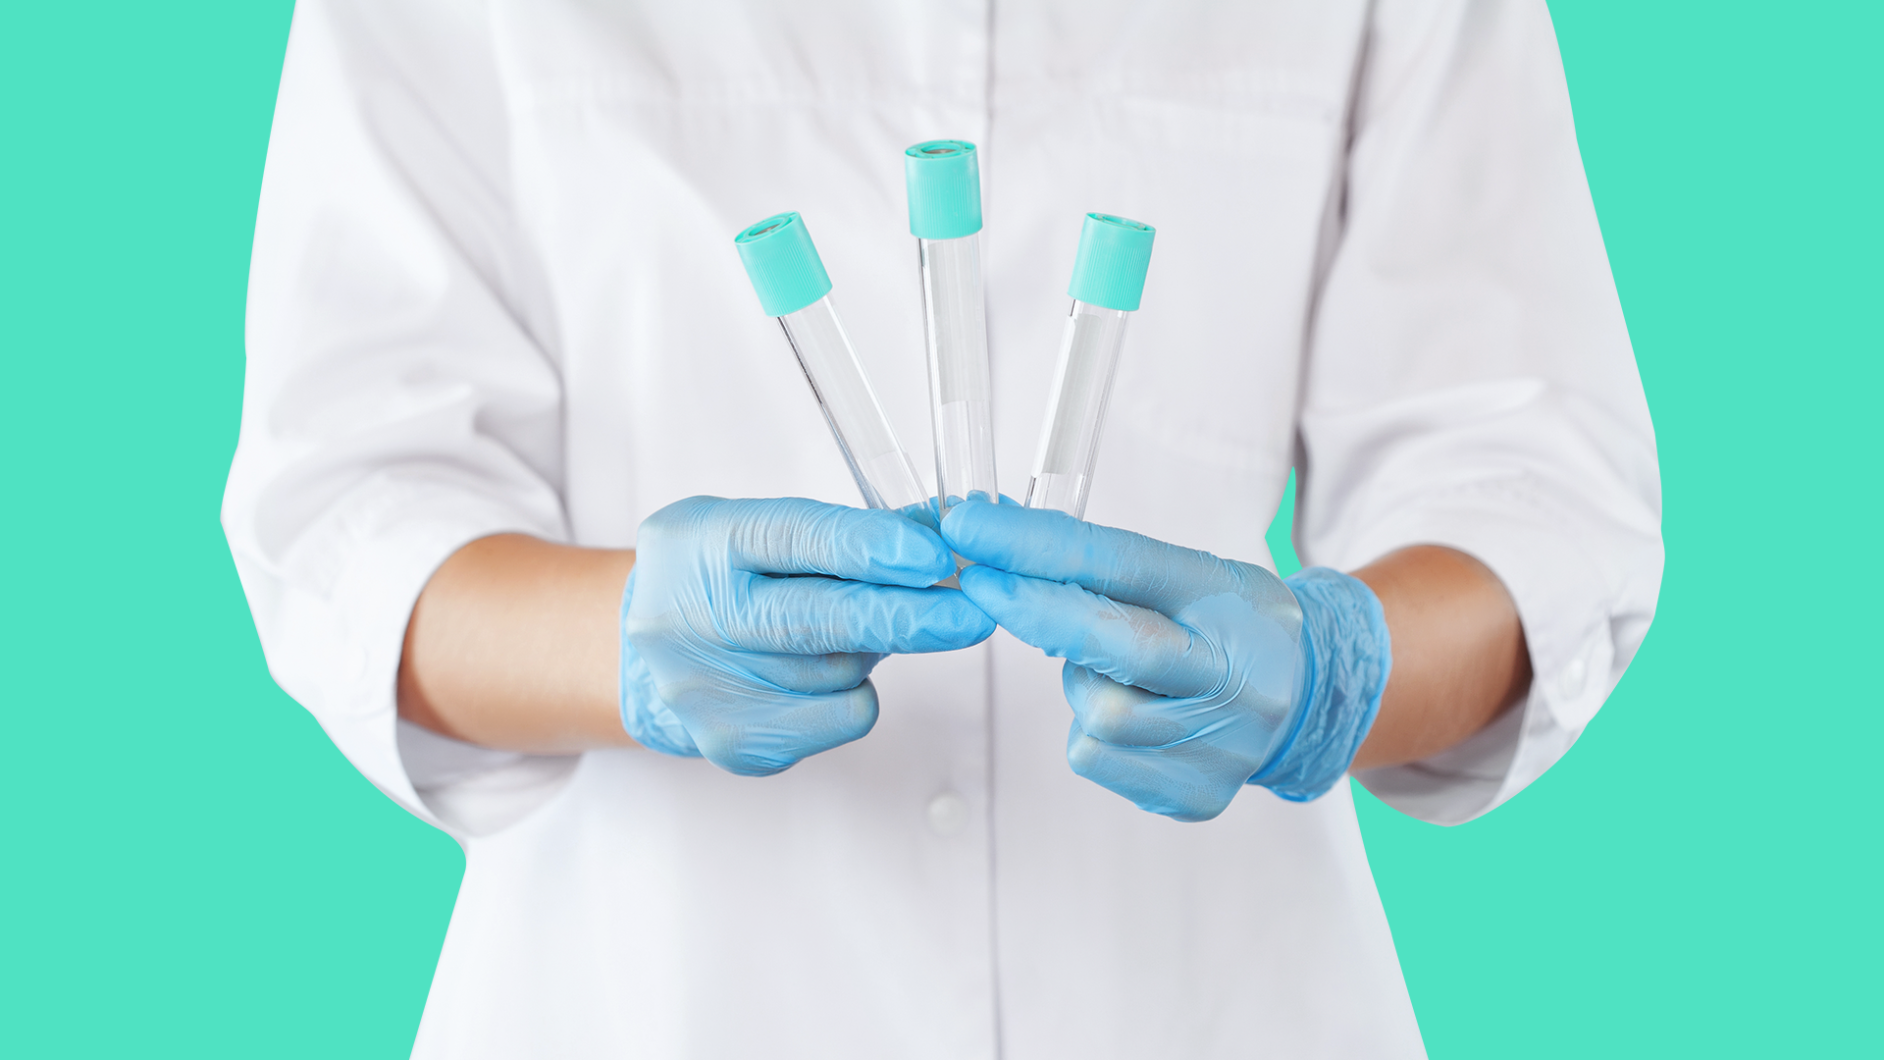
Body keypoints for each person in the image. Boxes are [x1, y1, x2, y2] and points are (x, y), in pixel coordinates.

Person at [222, 0, 1662, 1056]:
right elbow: (356, 508)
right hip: (648, 992)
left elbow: (1525, 481)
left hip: (1211, 993)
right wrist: (625, 639)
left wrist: (1332, 671)